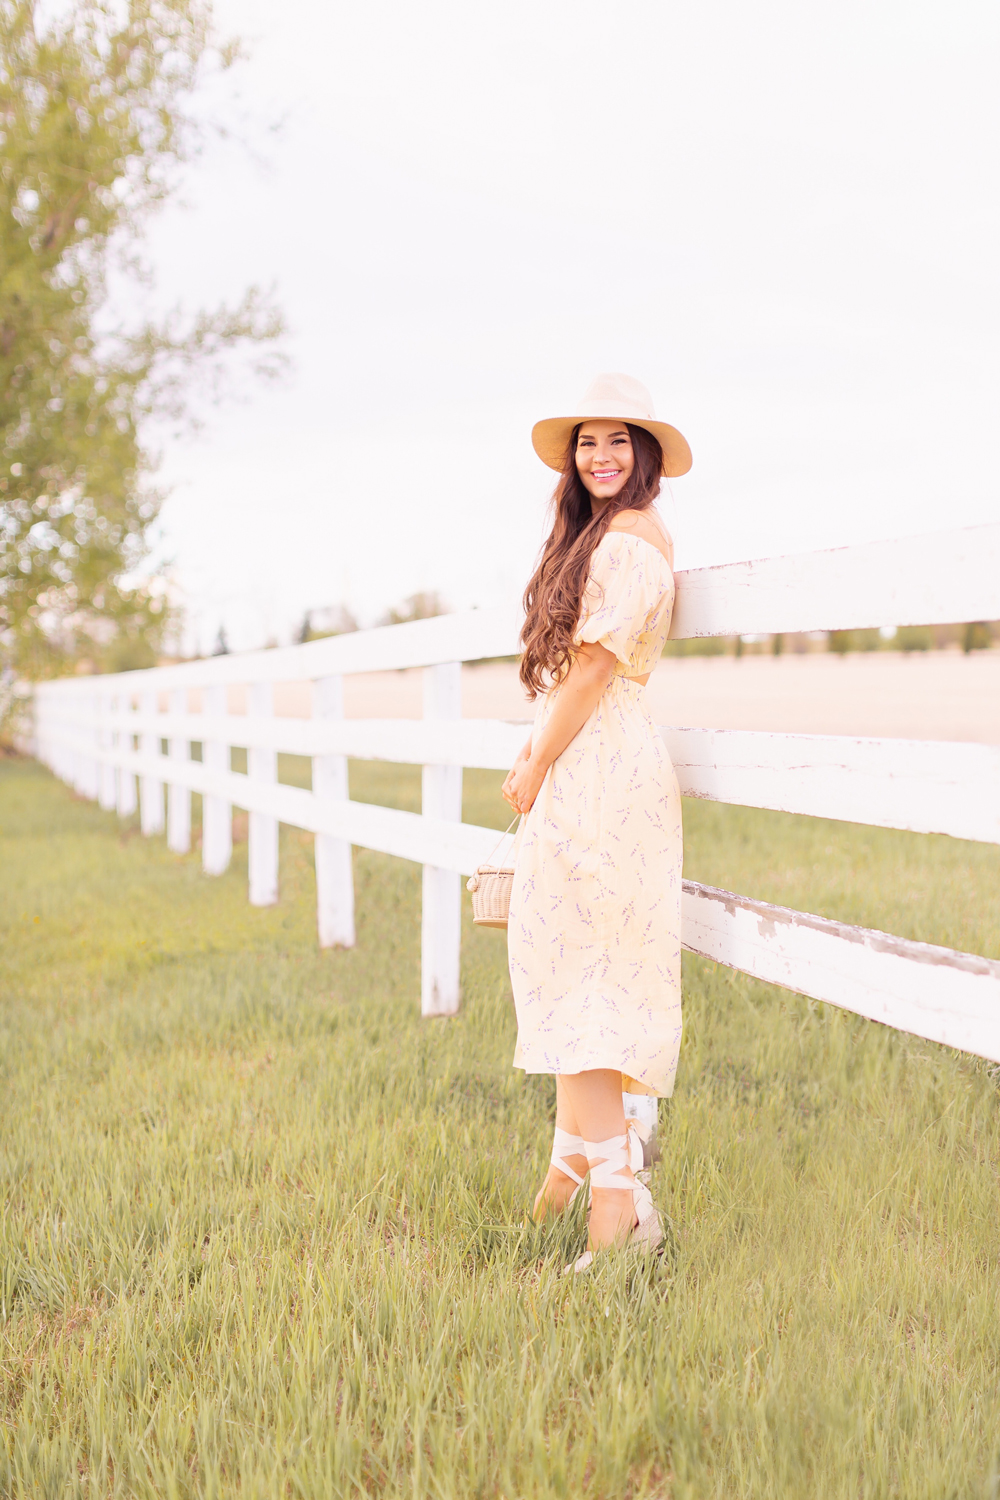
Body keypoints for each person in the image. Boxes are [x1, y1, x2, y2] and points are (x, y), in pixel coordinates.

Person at [502, 372, 691, 1273]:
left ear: (644, 454)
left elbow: (588, 674)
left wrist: (535, 762)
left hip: (600, 771)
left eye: (619, 442)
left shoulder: (628, 546)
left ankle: (616, 1213)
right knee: (579, 973)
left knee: (590, 988)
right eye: (589, 443)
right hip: (594, 762)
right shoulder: (609, 536)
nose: (603, 456)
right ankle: (573, 1174)